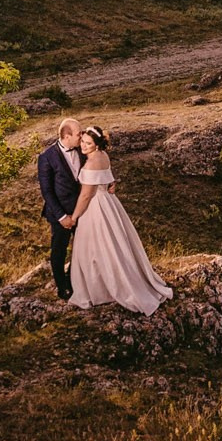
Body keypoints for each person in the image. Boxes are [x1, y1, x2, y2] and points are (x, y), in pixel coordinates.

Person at [62, 124, 174, 315]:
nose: (84, 146)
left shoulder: (90, 163)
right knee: (115, 245)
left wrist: (75, 216)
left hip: (95, 208)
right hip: (109, 203)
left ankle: (103, 288)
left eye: (88, 143)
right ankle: (120, 280)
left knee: (97, 248)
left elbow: (86, 196)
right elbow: (107, 179)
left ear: (97, 145)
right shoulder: (104, 156)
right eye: (83, 142)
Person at [36, 118, 85, 300]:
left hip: (81, 211)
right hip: (60, 214)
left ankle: (74, 280)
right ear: (66, 136)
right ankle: (62, 286)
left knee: (83, 247)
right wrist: (62, 216)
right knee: (59, 249)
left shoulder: (82, 149)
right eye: (78, 134)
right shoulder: (46, 157)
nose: (81, 137)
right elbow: (47, 191)